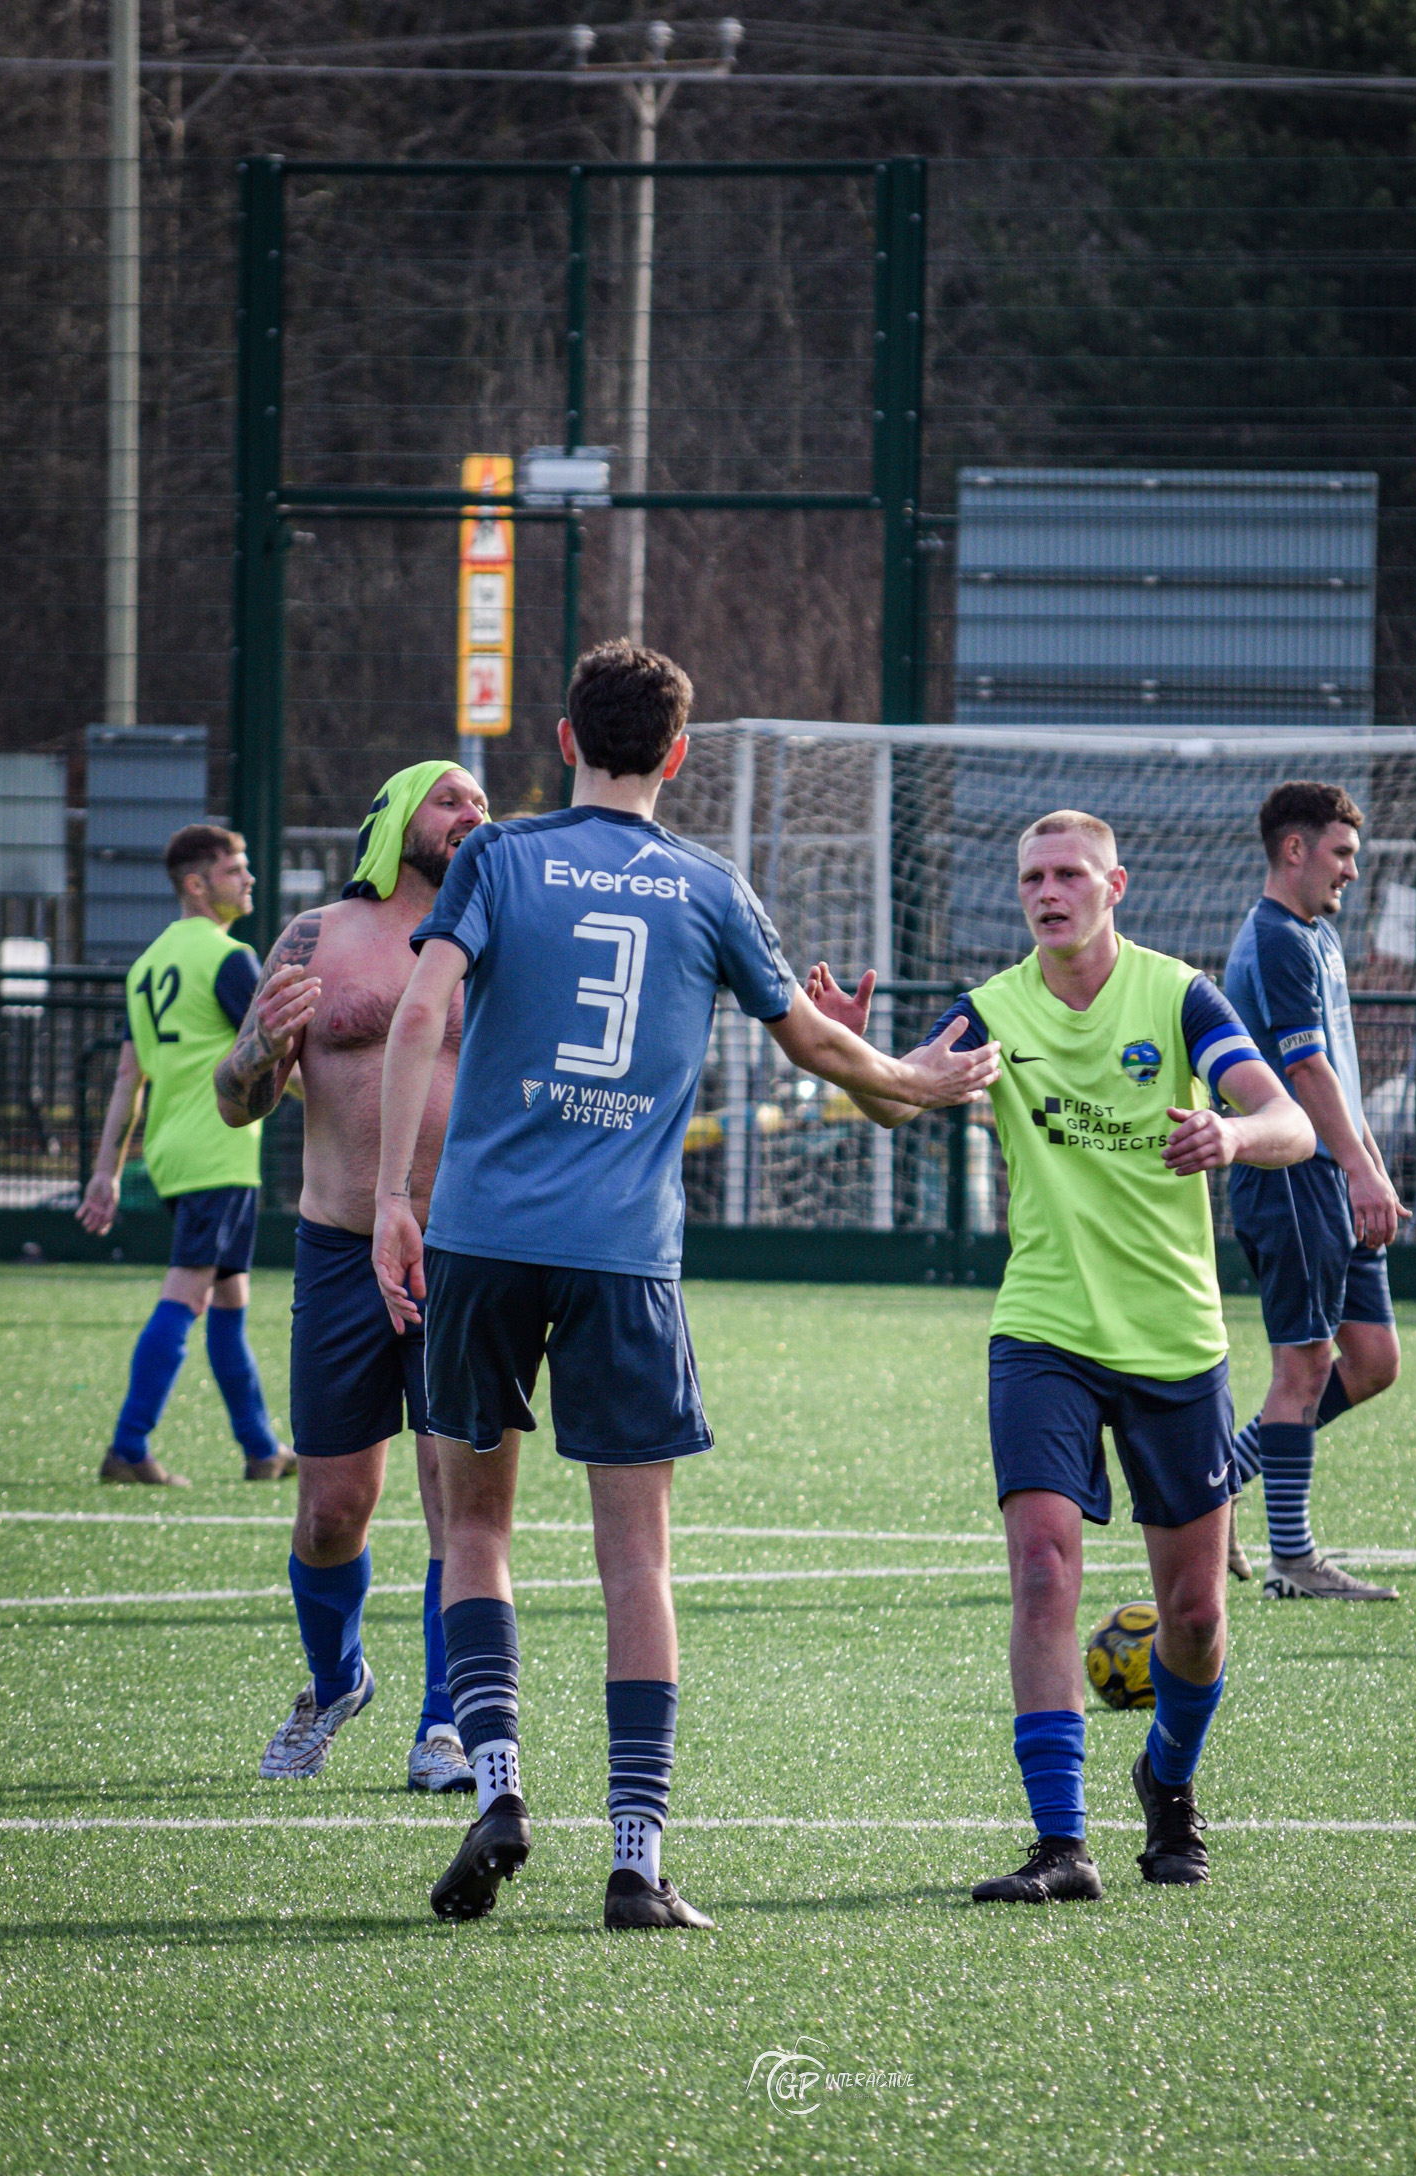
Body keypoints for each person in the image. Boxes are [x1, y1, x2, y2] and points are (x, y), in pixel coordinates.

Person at [371, 639, 1001, 1929]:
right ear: (677, 753)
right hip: (623, 1258)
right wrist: (915, 1078)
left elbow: (420, 1013)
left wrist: (393, 1195)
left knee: (473, 1532)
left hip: (483, 1239)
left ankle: (497, 1783)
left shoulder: (497, 856)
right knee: (636, 1563)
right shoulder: (708, 884)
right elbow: (817, 1044)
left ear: (563, 740)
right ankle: (636, 1859)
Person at [811, 808, 1313, 1901]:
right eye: (1033, 877)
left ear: (1113, 886)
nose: (1048, 893)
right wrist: (858, 1063)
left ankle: (1166, 1781)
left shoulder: (1179, 997)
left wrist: (1230, 1134)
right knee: (1043, 1569)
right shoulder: (992, 1009)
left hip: (1174, 1339)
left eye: (1069, 875)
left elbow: (1291, 1123)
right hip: (1041, 1331)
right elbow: (900, 1100)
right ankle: (1060, 1843)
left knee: (1195, 1617)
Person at [213, 761, 490, 1794]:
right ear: (396, 817)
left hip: (465, 1252)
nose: (472, 813)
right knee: (334, 1509)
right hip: (340, 1250)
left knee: (456, 1497)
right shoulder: (314, 938)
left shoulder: (501, 936)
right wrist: (259, 1047)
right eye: (450, 799)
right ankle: (337, 1682)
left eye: (481, 803)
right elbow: (237, 1100)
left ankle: (445, 1725)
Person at [1221, 782, 1407, 1600]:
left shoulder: (1317, 936)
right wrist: (1357, 1169)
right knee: (1302, 1367)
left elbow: (1339, 1071)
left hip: (1337, 1175)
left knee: (1372, 1360)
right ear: (1294, 849)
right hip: (1293, 1179)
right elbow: (1304, 1071)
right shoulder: (1274, 941)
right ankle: (1291, 1560)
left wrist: (1372, 1167)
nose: (1351, 871)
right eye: (1342, 853)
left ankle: (1222, 1475)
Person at [78, 824, 294, 1488]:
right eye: (235, 869)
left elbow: (127, 1078)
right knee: (188, 1293)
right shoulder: (229, 958)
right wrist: (350, 1101)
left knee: (229, 1300)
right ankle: (128, 1446)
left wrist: (106, 1170)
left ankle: (261, 1449)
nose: (249, 879)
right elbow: (272, 1054)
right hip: (217, 1150)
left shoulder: (148, 965)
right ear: (197, 884)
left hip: (174, 1152)